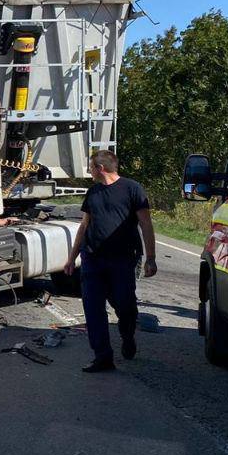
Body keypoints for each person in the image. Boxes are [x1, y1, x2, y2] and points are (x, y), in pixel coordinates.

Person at [64, 150, 156, 372]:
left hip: (123, 259)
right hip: (93, 258)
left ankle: (127, 334)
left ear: (100, 168)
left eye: (91, 167)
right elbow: (84, 226)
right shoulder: (93, 192)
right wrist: (72, 257)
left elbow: (146, 224)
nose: (89, 171)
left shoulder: (132, 189)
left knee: (125, 305)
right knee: (93, 308)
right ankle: (103, 357)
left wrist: (150, 258)